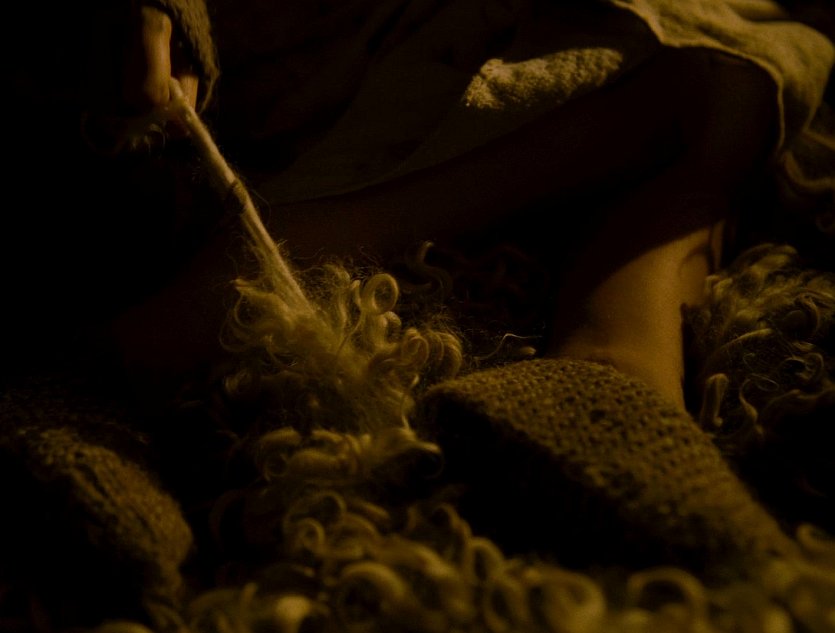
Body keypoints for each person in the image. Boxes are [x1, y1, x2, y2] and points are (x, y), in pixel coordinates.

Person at [1, 1, 833, 632]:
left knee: (730, 76)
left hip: (485, 37)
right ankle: (139, 349)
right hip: (269, 66)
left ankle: (609, 374)